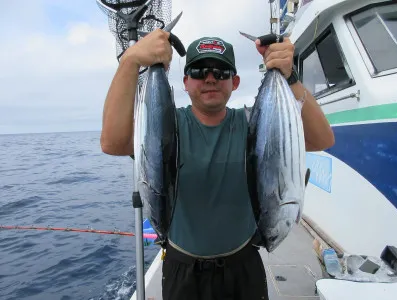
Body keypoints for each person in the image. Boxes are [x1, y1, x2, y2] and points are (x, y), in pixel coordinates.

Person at [100, 29, 335, 300]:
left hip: (243, 268)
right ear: (186, 82)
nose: (210, 78)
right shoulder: (165, 127)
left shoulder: (253, 125)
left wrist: (289, 76)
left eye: (220, 72)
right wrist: (130, 61)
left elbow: (322, 139)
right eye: (200, 72)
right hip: (182, 271)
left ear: (234, 82)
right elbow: (112, 143)